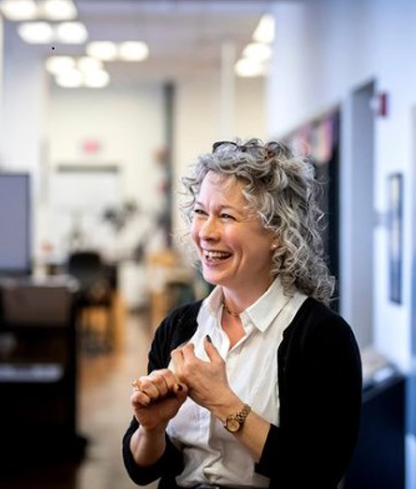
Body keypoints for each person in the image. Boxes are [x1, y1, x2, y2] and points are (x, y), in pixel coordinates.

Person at [122, 139, 362, 488]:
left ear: (278, 233)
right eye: (201, 212)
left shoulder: (323, 337)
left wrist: (223, 402)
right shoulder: (179, 326)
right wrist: (152, 427)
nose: (206, 232)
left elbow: (318, 472)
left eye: (226, 216)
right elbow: (141, 469)